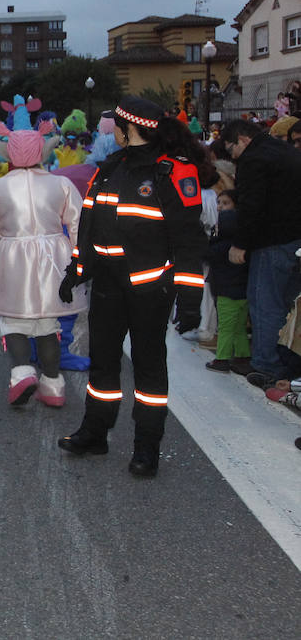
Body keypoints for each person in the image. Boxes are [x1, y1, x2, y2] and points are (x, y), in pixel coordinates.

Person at [56, 96, 207, 477]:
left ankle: (146, 447)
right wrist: (77, 270)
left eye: (116, 128)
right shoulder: (108, 169)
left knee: (149, 369)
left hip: (150, 289)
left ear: (127, 129)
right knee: (103, 364)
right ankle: (95, 432)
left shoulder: (171, 172)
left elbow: (188, 241)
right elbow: (90, 225)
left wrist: (189, 299)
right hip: (107, 284)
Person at [0, 121, 86, 408]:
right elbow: (77, 222)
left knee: (13, 320)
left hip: (15, 254)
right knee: (48, 323)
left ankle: (22, 372)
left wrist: (13, 234)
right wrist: (77, 257)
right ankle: (52, 385)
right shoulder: (61, 183)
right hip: (55, 254)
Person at [220, 118, 301, 387]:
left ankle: (266, 364)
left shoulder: (254, 160)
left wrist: (240, 244)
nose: (232, 157)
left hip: (272, 241)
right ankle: (285, 359)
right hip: (294, 239)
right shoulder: (284, 151)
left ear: (242, 139)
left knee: (264, 303)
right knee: (288, 304)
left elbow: (252, 207)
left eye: (231, 149)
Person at [204, 190, 252, 374]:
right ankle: (242, 355)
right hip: (242, 294)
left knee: (224, 327)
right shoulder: (242, 247)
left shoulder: (219, 247)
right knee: (239, 326)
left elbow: (205, 255)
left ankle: (222, 358)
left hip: (225, 294)